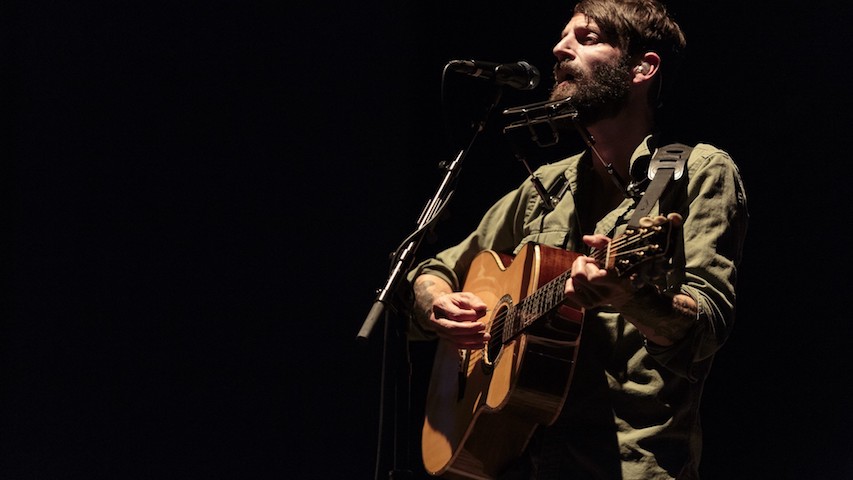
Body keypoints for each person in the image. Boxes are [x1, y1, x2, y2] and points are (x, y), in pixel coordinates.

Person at [407, 0, 748, 478]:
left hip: (625, 462)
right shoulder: (546, 185)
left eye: (587, 39)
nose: (559, 48)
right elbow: (435, 269)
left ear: (643, 68)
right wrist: (436, 304)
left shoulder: (696, 170)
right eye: (564, 37)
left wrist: (627, 296)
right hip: (516, 458)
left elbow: (705, 329)